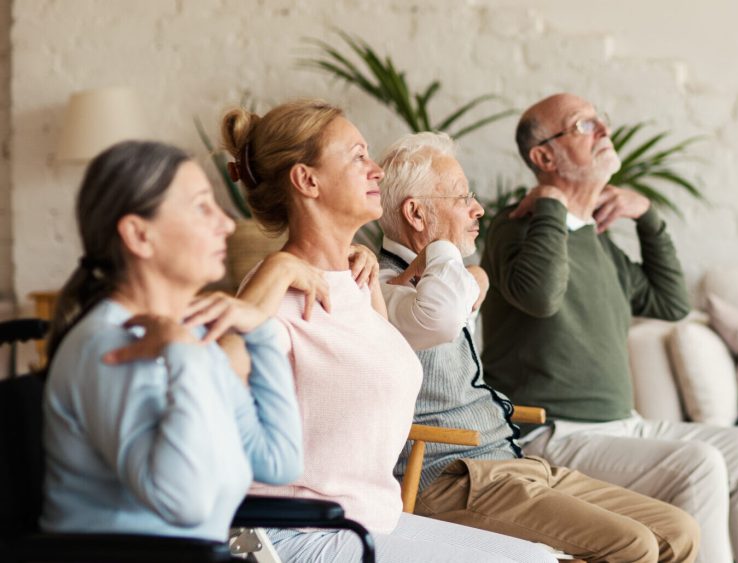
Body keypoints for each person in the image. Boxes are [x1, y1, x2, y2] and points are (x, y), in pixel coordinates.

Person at [220, 99, 555, 563]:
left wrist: (373, 275)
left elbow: (389, 360)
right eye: (357, 156)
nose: (376, 169)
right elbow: (208, 390)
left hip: (374, 519)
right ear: (307, 180)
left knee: (539, 558)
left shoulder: (358, 278)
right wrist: (274, 270)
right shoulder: (276, 292)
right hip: (297, 533)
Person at [482, 93, 738, 563]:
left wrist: (646, 216)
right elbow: (542, 297)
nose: (604, 131)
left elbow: (670, 304)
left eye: (599, 121)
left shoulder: (598, 244)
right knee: (698, 465)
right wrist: (550, 202)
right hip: (549, 434)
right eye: (583, 126)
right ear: (543, 157)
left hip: (620, 427)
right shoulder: (516, 228)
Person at [374, 131, 699, 562]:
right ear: (416, 213)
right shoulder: (383, 288)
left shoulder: (447, 280)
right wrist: (455, 258)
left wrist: (468, 270)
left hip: (511, 462)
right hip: (451, 477)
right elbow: (439, 310)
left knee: (678, 530)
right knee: (631, 545)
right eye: (460, 197)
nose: (478, 209)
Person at [41, 140, 301, 543]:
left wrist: (260, 333)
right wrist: (184, 356)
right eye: (202, 207)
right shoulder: (113, 346)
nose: (227, 224)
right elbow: (185, 502)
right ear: (139, 235)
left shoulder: (188, 337)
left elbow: (277, 461)